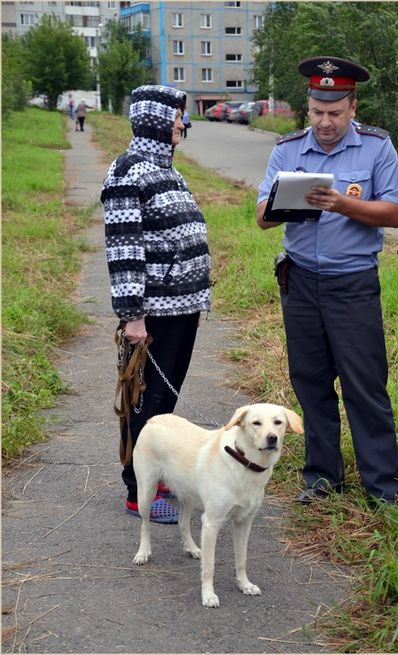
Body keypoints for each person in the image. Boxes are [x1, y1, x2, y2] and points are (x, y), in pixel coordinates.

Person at [256, 56, 398, 505]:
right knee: (310, 382)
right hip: (299, 282)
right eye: (318, 111)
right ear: (309, 105)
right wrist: (288, 200)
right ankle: (322, 478)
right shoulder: (287, 148)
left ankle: (382, 487)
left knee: (364, 386)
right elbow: (262, 217)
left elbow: (394, 212)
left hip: (353, 284)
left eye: (335, 112)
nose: (325, 122)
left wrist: (343, 205)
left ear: (352, 107)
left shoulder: (378, 148)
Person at [101, 85, 211, 522]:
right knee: (145, 403)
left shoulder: (166, 169)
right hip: (154, 313)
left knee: (164, 402)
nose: (183, 124)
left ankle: (158, 479)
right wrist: (133, 317)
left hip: (182, 307)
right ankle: (138, 493)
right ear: (158, 122)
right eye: (177, 117)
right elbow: (124, 251)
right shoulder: (129, 171)